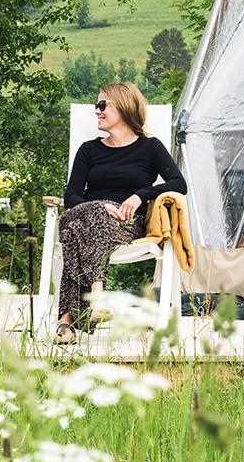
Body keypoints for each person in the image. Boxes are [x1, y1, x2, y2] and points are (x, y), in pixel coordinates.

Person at [55, 82, 186, 334]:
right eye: (96, 106)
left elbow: (178, 183)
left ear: (124, 108)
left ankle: (67, 320)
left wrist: (140, 195)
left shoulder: (150, 147)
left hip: (125, 224)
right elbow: (71, 196)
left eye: (103, 105)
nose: (97, 111)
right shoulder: (89, 150)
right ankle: (97, 297)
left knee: (73, 233)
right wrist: (100, 206)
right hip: (86, 212)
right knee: (87, 217)